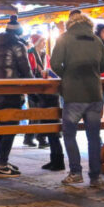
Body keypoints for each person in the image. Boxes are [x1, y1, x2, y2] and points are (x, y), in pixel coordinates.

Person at [51, 9, 104, 188]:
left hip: (74, 94)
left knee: (69, 134)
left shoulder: (64, 38)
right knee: (93, 136)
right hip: (94, 94)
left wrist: (66, 75)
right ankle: (96, 176)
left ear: (70, 23)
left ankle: (76, 172)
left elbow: (54, 64)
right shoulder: (97, 40)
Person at [0, 14, 33, 177]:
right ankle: (2, 164)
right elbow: (26, 70)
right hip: (13, 91)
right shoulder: (17, 45)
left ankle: (3, 161)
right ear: (19, 32)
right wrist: (35, 88)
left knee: (2, 126)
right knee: (11, 127)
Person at [28, 33, 65, 171]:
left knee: (51, 125)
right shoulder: (31, 54)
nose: (44, 44)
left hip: (49, 91)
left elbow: (53, 70)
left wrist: (48, 73)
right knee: (48, 125)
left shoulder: (47, 56)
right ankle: (55, 159)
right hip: (44, 91)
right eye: (42, 41)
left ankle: (58, 160)